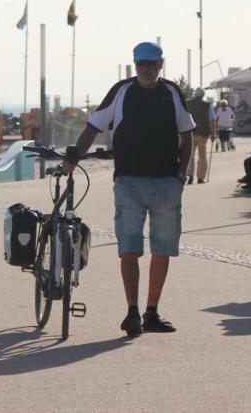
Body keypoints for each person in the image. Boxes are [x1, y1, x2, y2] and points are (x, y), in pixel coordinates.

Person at [64, 41, 194, 337]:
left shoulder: (172, 92)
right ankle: (132, 311)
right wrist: (74, 156)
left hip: (166, 183)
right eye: (140, 64)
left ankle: (152, 312)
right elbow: (93, 127)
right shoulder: (121, 91)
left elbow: (186, 135)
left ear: (161, 64)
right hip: (129, 182)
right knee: (129, 249)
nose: (145, 69)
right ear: (134, 65)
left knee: (162, 250)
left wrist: (182, 174)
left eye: (151, 63)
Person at [186, 88, 214, 185]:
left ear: (195, 94)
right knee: (202, 156)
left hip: (190, 133)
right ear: (203, 95)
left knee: (190, 156)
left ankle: (189, 176)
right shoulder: (207, 105)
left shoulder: (187, 103)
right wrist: (213, 133)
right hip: (203, 134)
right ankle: (200, 178)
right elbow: (212, 120)